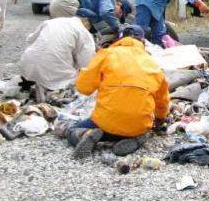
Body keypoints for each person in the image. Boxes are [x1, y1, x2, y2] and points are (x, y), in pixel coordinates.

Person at [70, 25, 170, 160]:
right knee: (142, 130)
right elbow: (163, 102)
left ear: (120, 38)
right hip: (138, 125)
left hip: (105, 122)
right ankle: (137, 139)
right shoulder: (153, 64)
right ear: (143, 42)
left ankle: (86, 134)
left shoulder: (107, 55)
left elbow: (83, 88)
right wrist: (159, 120)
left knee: (73, 129)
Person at [20, 10, 96, 97]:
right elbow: (87, 64)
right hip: (53, 74)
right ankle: (48, 90)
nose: (89, 30)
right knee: (76, 83)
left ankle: (33, 85)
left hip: (27, 68)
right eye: (90, 27)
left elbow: (30, 39)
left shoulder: (52, 22)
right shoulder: (83, 32)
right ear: (85, 21)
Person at [49, 0, 132, 33]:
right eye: (121, 13)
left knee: (56, 33)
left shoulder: (100, 4)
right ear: (118, 3)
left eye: (120, 17)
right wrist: (118, 28)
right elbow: (105, 13)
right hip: (67, 1)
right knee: (71, 35)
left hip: (60, 1)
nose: (119, 16)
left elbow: (89, 17)